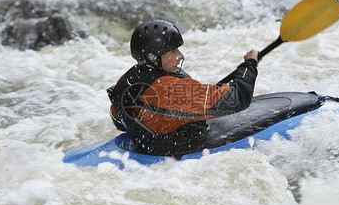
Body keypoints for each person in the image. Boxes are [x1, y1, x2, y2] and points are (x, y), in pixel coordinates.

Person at [107, 19, 259, 156]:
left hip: (144, 146)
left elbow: (118, 119)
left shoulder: (129, 77)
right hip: (174, 153)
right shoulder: (169, 90)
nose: (181, 55)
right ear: (153, 57)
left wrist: (159, 118)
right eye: (173, 51)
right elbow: (239, 98)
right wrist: (249, 65)